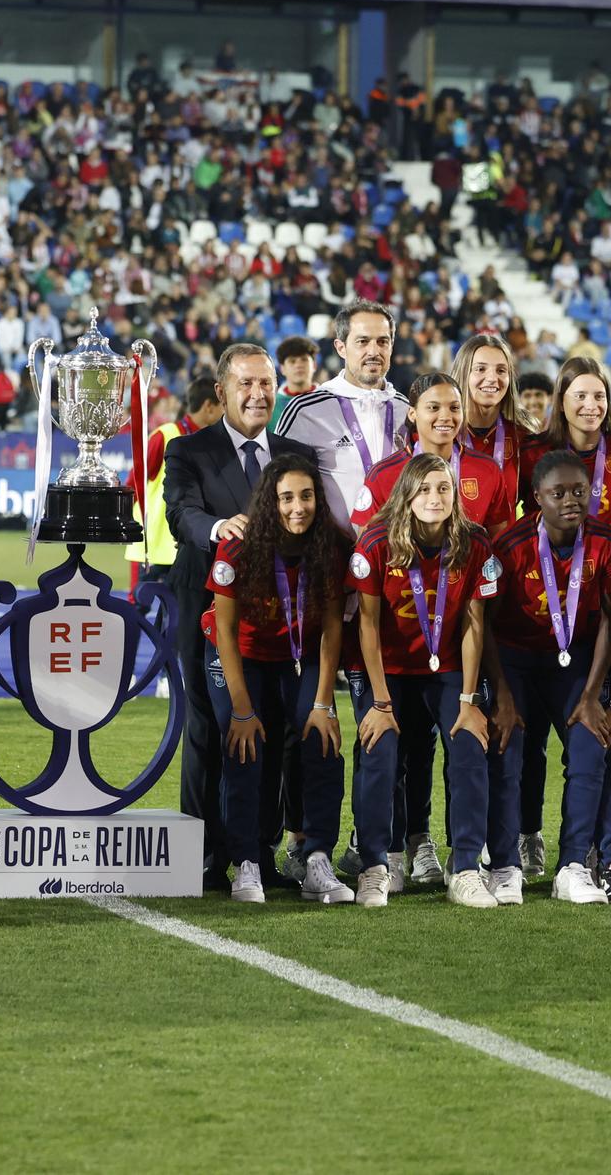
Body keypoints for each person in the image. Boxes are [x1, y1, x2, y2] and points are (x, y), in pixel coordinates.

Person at [347, 371, 510, 886]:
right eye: (433, 407)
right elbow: (367, 611)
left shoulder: (477, 523)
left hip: (449, 659)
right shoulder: (378, 517)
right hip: (391, 660)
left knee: (461, 744)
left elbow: (476, 616)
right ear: (411, 412)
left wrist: (469, 698)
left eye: (453, 407)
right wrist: (378, 700)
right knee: (388, 747)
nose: (445, 416)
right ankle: (381, 856)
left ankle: (463, 865)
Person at [167, 344, 302, 883]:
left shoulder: (294, 454)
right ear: (221, 392)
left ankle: (258, 847)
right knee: (207, 724)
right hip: (205, 603)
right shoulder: (188, 450)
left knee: (269, 726)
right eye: (245, 384)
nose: (257, 393)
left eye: (265, 383)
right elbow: (181, 512)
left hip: (274, 616)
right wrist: (218, 528)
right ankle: (202, 846)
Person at [204, 455, 352, 904]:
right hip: (240, 655)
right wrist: (243, 709)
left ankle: (317, 858)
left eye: (306, 496)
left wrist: (324, 704)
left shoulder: (329, 543)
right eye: (286, 497)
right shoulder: (240, 545)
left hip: (300, 656)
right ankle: (246, 862)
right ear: (271, 501)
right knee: (243, 746)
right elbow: (225, 630)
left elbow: (331, 628)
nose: (297, 507)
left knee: (322, 740)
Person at [486, 451, 611, 904]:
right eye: (558, 493)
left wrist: (592, 695)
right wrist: (503, 696)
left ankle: (572, 866)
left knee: (590, 747)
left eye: (579, 491)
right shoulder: (509, 545)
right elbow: (484, 624)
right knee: (507, 750)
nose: (571, 500)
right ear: (537, 498)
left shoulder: (607, 539)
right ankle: (506, 865)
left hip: (576, 664)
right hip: (514, 662)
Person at [272, 303, 410, 528]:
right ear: (341, 347)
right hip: (334, 554)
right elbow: (278, 489)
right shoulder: (306, 411)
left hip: (398, 552)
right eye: (362, 341)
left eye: (382, 341)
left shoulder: (405, 409)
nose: (374, 351)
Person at [519, 357, 611, 539]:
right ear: (561, 403)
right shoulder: (533, 453)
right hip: (549, 565)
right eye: (580, 396)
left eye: (599, 396)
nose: (591, 405)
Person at [128, 376, 221, 591]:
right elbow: (135, 481)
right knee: (138, 607)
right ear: (209, 406)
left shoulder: (214, 442)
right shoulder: (165, 434)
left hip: (188, 543)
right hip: (152, 543)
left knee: (179, 612)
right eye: (223, 407)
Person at [450, 332, 524, 537]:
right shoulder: (441, 435)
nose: (492, 378)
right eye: (481, 369)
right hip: (450, 561)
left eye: (501, 370)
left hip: (506, 559)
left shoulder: (523, 437)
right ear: (464, 373)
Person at [270, 335, 319, 427]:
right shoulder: (271, 407)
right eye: (292, 361)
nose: (298, 365)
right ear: (282, 369)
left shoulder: (330, 400)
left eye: (304, 360)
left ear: (314, 365)